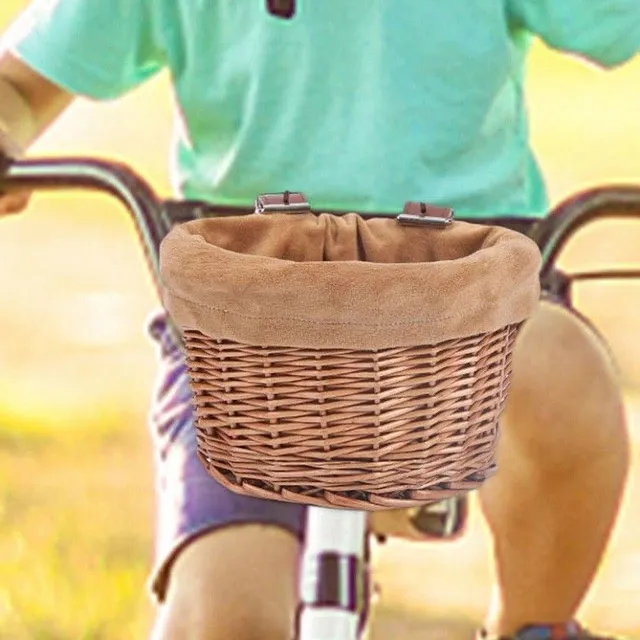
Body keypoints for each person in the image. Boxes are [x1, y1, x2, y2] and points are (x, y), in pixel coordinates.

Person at [0, 2, 636, 639]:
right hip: (246, 311)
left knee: (557, 368)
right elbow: (19, 85)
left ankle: (534, 624)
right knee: (223, 615)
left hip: (469, 281)